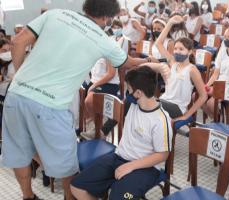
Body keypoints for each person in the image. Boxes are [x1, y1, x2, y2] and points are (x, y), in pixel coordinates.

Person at [2, 0, 167, 199]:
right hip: (50, 105)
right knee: (66, 163)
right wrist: (148, 61)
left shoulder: (55, 14)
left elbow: (18, 42)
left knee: (20, 153)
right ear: (107, 17)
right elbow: (128, 63)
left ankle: (28, 196)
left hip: (15, 95)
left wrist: (21, 76)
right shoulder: (102, 38)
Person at [71, 66, 173, 200]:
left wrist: (130, 166)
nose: (126, 93)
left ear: (138, 93)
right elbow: (113, 120)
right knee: (77, 186)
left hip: (146, 167)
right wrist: (102, 132)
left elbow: (162, 155)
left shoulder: (161, 120)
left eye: (128, 89)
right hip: (119, 157)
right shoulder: (131, 104)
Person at [150, 15, 207, 120]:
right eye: (175, 49)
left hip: (177, 107)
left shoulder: (192, 70)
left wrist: (186, 116)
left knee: (149, 109)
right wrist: (170, 23)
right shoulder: (173, 62)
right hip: (164, 101)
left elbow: (203, 96)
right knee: (139, 102)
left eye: (181, 49)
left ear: (189, 52)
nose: (177, 51)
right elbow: (158, 43)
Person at [202, 26, 229, 118]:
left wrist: (219, 91)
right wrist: (207, 86)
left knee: (211, 103)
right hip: (219, 84)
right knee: (197, 96)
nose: (226, 40)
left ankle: (216, 121)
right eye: (225, 37)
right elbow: (215, 74)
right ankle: (215, 118)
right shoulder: (222, 52)